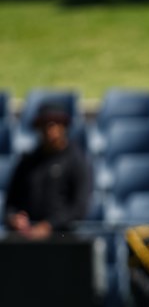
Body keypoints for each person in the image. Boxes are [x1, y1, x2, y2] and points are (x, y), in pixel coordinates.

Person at [4, 102, 92, 239]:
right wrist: (14, 218)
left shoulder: (77, 161)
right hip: (28, 240)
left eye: (55, 123)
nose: (50, 129)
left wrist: (49, 225)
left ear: (64, 127)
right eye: (45, 124)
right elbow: (11, 203)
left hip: (64, 238)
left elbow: (79, 207)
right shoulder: (27, 162)